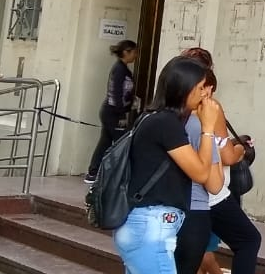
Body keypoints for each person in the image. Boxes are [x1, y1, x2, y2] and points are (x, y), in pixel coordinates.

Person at [112, 57, 222, 274]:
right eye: (200, 87)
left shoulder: (153, 118)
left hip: (145, 225)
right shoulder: (166, 123)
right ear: (184, 88)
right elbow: (201, 173)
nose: (204, 94)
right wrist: (208, 128)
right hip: (150, 226)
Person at [176, 48, 261, 274]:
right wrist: (240, 148)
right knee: (248, 240)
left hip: (178, 197)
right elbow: (222, 165)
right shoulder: (207, 112)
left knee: (195, 253)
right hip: (205, 198)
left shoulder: (167, 112)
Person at [85, 39, 138, 183]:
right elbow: (116, 93)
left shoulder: (122, 68)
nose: (135, 55)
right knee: (122, 142)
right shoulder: (120, 69)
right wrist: (121, 114)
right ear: (126, 52)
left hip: (112, 111)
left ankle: (94, 172)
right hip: (113, 113)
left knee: (105, 142)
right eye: (134, 52)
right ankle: (116, 174)